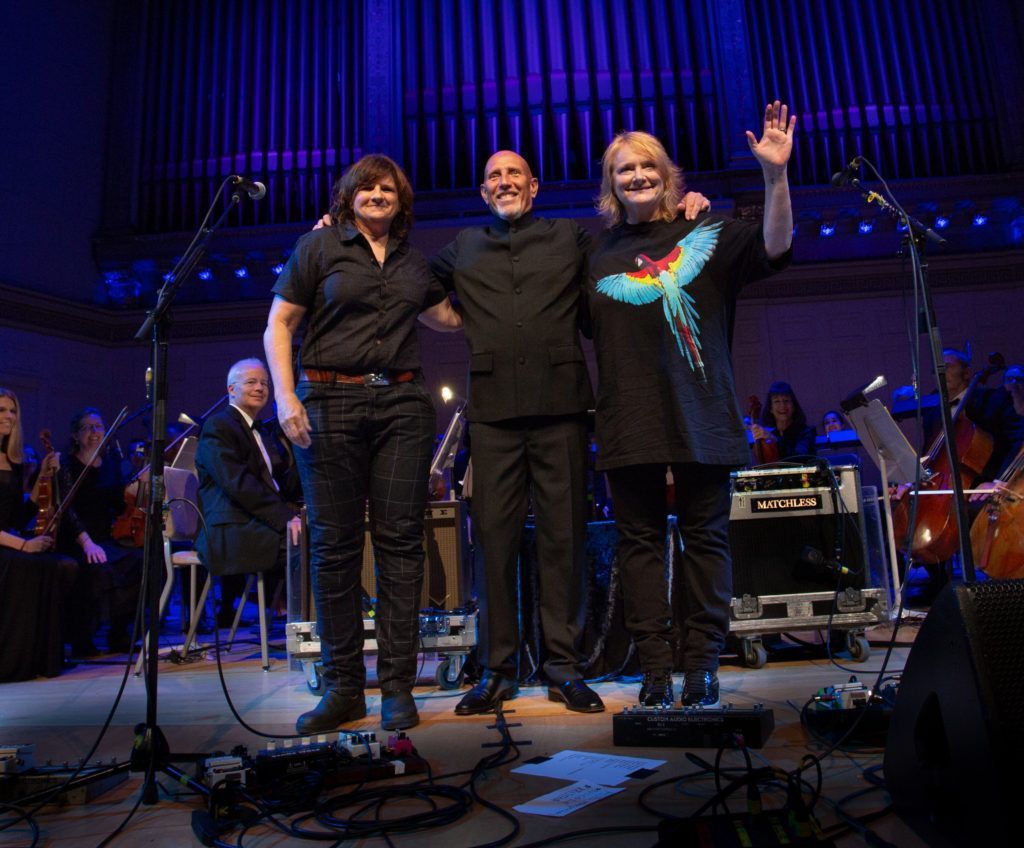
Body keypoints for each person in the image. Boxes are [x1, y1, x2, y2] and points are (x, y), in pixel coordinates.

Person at [428, 150, 708, 717]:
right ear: (484, 192)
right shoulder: (462, 246)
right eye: (494, 178)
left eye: (514, 175)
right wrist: (459, 321)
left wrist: (685, 212)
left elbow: (634, 254)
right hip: (493, 413)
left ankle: (564, 667)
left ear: (534, 185)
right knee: (496, 546)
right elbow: (409, 287)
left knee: (564, 540)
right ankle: (496, 671)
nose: (504, 183)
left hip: (562, 409)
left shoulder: (571, 239)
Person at [586, 101, 794, 708]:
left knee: (707, 540)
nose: (637, 177)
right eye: (624, 170)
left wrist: (775, 177)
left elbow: (776, 248)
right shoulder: (595, 257)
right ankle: (654, 669)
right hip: (630, 420)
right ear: (611, 185)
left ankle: (702, 665)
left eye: (647, 166)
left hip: (703, 411)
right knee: (640, 546)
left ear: (667, 174)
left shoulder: (708, 231)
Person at [265, 154, 462, 734]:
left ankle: (399, 688)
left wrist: (505, 285)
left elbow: (449, 319)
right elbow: (280, 324)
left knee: (402, 544)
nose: (377, 194)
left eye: (388, 189)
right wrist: (284, 398)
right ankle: (344, 688)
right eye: (366, 187)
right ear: (347, 196)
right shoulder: (318, 248)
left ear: (401, 202)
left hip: (402, 405)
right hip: (326, 402)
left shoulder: (414, 264)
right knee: (334, 547)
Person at [195, 359, 302, 628]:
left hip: (254, 523)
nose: (260, 388)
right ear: (231, 389)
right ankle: (307, 627)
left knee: (322, 535)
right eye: (252, 382)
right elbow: (238, 485)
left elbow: (280, 487)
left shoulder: (262, 431)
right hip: (230, 530)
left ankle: (314, 625)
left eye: (265, 383)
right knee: (310, 546)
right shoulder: (218, 426)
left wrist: (305, 449)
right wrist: (287, 518)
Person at [0, 388, 78, 680]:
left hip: (7, 542)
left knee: (56, 565)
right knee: (30, 566)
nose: (8, 416)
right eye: (1, 410)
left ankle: (40, 659)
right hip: (7, 547)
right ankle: (12, 663)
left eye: (12, 410)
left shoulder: (14, 462)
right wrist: (25, 545)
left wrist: (43, 476)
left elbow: (17, 516)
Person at [57, 408, 144, 655]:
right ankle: (81, 639)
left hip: (107, 538)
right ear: (75, 435)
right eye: (87, 427)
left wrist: (137, 488)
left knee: (139, 561)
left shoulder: (110, 463)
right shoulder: (66, 463)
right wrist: (86, 543)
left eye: (99, 427)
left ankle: (120, 633)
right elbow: (66, 509)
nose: (95, 433)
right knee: (95, 568)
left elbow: (117, 503)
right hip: (76, 538)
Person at [750, 381, 817, 459]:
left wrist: (775, 440)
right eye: (777, 401)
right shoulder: (770, 435)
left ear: (793, 406)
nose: (782, 405)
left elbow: (800, 458)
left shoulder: (807, 432)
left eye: (786, 401)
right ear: (771, 408)